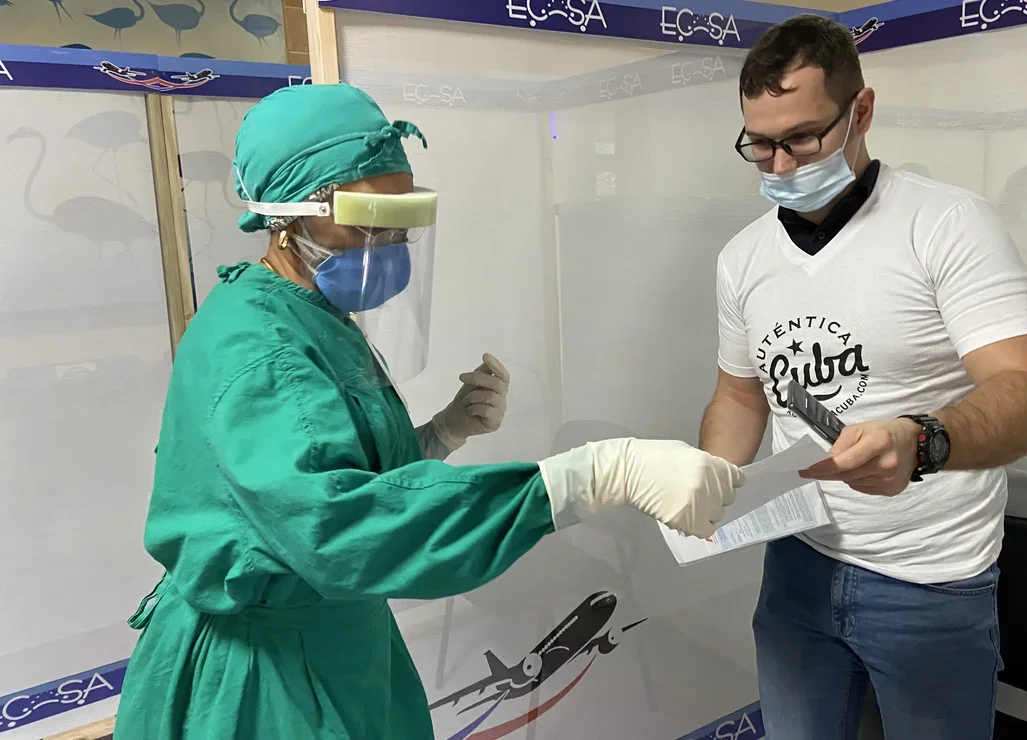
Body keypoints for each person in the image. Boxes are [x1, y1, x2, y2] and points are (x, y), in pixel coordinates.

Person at [113, 83, 744, 740]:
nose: (388, 242)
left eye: (401, 222)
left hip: (332, 634)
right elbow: (339, 527)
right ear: (288, 215)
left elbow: (335, 473)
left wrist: (444, 432)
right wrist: (591, 476)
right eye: (368, 220)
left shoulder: (310, 311)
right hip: (270, 671)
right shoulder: (261, 348)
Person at [699, 16, 1027, 740]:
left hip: (929, 578)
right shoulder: (743, 258)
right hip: (797, 562)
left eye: (803, 138)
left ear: (861, 111)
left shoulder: (948, 225)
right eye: (759, 144)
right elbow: (740, 394)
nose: (780, 167)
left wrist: (922, 441)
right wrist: (707, 480)